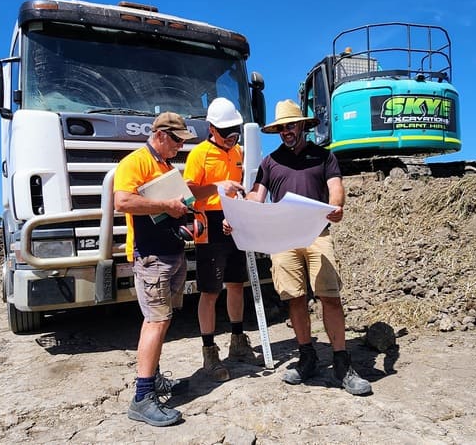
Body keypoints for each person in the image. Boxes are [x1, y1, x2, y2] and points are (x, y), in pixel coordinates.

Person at [245, 100, 372, 396]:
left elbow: (335, 188)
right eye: (281, 128)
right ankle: (307, 358)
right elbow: (257, 196)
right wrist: (239, 204)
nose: (286, 132)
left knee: (329, 297)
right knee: (295, 298)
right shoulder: (270, 162)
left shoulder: (324, 157)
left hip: (318, 234)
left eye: (290, 125)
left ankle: (342, 363)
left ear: (302, 125)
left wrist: (337, 206)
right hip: (283, 239)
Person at [113, 112, 196, 426]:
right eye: (176, 140)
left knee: (163, 320)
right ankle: (142, 397)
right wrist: (166, 205)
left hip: (170, 252)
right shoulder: (135, 163)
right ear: (160, 134)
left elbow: (176, 204)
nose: (179, 147)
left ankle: (155, 379)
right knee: (156, 320)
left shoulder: (164, 166)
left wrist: (184, 213)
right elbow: (122, 202)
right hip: (151, 256)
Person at [183, 98, 260, 382]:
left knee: (236, 284)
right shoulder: (199, 154)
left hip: (234, 221)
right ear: (211, 129)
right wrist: (216, 187)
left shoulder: (239, 151)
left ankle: (238, 340)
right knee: (210, 290)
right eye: (226, 131)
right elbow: (188, 196)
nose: (232, 136)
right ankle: (209, 351)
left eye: (235, 130)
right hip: (210, 225)